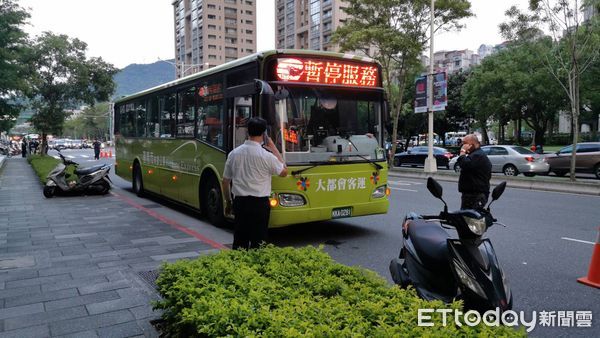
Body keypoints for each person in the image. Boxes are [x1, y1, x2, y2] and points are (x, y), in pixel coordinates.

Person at [222, 117, 288, 250]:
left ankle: (239, 267)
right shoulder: (267, 156)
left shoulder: (234, 154)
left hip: (240, 202)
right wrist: (274, 148)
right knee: (259, 242)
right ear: (264, 134)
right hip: (260, 204)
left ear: (247, 132)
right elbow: (284, 172)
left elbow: (225, 181)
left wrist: (229, 202)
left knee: (240, 241)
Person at [456, 134, 491, 210]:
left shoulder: (478, 155)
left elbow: (465, 164)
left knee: (469, 219)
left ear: (471, 144)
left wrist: (462, 152)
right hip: (471, 195)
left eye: (464, 143)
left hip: (475, 196)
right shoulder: (475, 155)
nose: (462, 145)